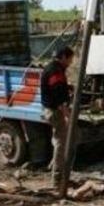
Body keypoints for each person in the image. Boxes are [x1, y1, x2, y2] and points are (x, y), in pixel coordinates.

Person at [41, 46, 75, 186]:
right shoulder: (56, 72)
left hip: (50, 109)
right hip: (55, 111)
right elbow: (58, 96)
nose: (71, 62)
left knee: (58, 140)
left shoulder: (51, 68)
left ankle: (56, 169)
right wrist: (67, 115)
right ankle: (58, 178)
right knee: (62, 143)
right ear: (63, 57)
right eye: (70, 59)